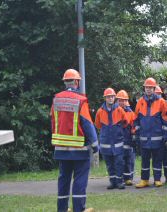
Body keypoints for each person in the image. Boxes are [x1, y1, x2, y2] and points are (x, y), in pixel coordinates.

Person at [51, 69, 97, 212]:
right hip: (79, 149)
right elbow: (87, 124)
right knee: (80, 179)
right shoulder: (81, 100)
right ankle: (79, 209)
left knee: (63, 179)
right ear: (77, 82)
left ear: (65, 82)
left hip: (61, 149)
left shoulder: (56, 99)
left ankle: (62, 209)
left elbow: (53, 121)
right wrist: (95, 145)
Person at [134, 78, 167, 188]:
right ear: (144, 89)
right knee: (144, 161)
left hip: (157, 138)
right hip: (144, 138)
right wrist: (137, 134)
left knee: (157, 160)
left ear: (154, 89)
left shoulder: (161, 102)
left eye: (150, 87)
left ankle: (157, 179)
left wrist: (165, 134)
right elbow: (136, 118)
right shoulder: (140, 102)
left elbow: (166, 118)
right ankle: (144, 180)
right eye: (147, 87)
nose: (148, 89)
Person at [95, 88, 128, 190]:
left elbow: (125, 122)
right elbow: (98, 125)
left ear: (115, 98)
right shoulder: (100, 111)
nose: (110, 98)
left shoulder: (120, 110)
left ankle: (119, 182)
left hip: (118, 142)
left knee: (119, 162)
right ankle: (112, 182)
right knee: (109, 164)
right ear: (105, 98)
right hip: (106, 143)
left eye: (112, 96)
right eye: (108, 97)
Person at [116, 90, 136, 186]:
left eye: (123, 100)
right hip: (118, 139)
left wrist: (133, 136)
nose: (122, 102)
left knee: (129, 159)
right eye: (120, 100)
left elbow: (133, 125)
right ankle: (119, 178)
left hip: (128, 139)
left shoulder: (131, 113)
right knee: (119, 160)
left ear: (126, 101)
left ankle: (128, 178)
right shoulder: (114, 112)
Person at [155, 86, 167, 183]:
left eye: (159, 94)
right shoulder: (152, 108)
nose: (158, 96)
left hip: (165, 138)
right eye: (156, 94)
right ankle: (157, 179)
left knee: (166, 159)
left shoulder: (166, 108)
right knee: (157, 159)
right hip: (156, 138)